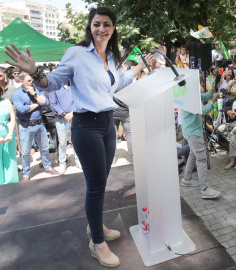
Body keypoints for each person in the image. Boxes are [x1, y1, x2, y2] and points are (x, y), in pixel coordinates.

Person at [5, 7, 152, 267]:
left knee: (101, 181)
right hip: (86, 127)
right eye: (96, 24)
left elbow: (120, 80)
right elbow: (51, 83)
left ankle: (95, 226)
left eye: (106, 24)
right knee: (95, 187)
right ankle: (97, 241)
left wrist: (142, 65)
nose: (101, 29)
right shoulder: (76, 54)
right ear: (90, 26)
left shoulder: (110, 56)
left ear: (113, 28)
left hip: (107, 125)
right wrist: (36, 72)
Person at [12, 73, 59, 181]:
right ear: (21, 81)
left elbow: (46, 102)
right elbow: (22, 109)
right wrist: (38, 103)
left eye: (32, 80)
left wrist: (34, 95)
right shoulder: (17, 94)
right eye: (28, 81)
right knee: (25, 152)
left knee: (44, 147)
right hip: (26, 126)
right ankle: (26, 174)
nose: (31, 82)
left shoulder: (36, 90)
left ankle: (47, 167)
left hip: (39, 123)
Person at [180, 85, 222, 199]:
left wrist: (213, 90)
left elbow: (204, 96)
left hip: (190, 131)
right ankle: (204, 189)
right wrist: (214, 99)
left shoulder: (188, 96)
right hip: (194, 133)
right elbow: (205, 110)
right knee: (202, 159)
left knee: (193, 155)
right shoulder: (190, 100)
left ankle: (186, 179)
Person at [49, 83, 80, 173]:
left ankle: (78, 160)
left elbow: (77, 100)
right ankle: (62, 163)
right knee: (62, 142)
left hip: (73, 116)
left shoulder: (72, 86)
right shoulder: (54, 88)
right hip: (61, 118)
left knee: (76, 141)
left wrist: (72, 112)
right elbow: (53, 104)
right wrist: (63, 114)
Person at [0, 85, 18, 185]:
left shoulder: (6, 102)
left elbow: (12, 117)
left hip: (7, 131)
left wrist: (10, 133)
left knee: (10, 158)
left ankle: (11, 183)